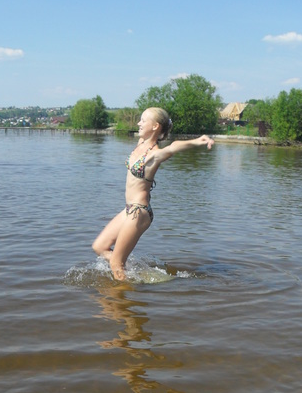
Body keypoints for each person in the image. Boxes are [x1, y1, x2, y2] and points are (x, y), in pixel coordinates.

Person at [92, 107, 214, 280]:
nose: (138, 123)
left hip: (139, 212)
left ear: (155, 126)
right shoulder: (141, 143)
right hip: (129, 210)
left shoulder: (154, 154)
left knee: (115, 264)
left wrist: (197, 141)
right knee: (99, 247)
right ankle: (136, 275)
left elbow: (172, 147)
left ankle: (122, 292)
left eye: (143, 120)